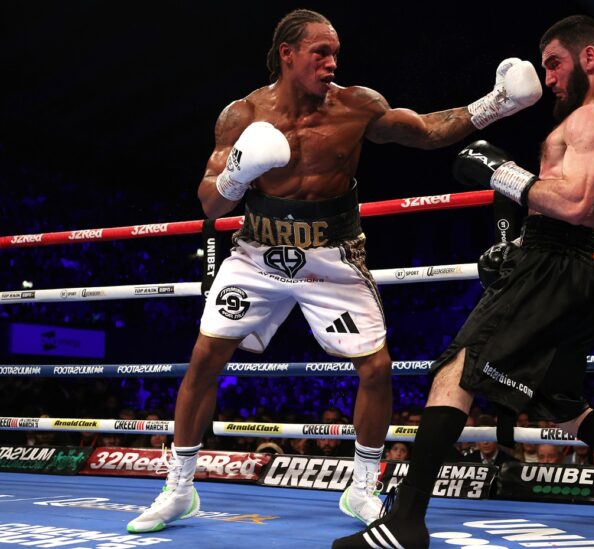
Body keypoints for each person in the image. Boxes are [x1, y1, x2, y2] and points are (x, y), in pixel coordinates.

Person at [126, 8, 542, 534]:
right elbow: (210, 204)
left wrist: (498, 103)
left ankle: (362, 488)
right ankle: (179, 489)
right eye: (320, 52)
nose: (332, 63)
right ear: (287, 54)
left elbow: (426, 132)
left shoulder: (356, 105)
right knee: (204, 359)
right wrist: (235, 174)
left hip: (333, 256)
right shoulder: (242, 114)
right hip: (257, 255)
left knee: (377, 368)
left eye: (335, 54)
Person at [334, 15, 594, 548]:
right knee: (564, 405)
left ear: (589, 57)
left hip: (555, 266)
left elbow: (575, 205)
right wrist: (518, 244)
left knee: (456, 372)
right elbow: (566, 206)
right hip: (572, 266)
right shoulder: (593, 119)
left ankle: (407, 521)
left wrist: (498, 171)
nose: (548, 78)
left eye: (554, 64)